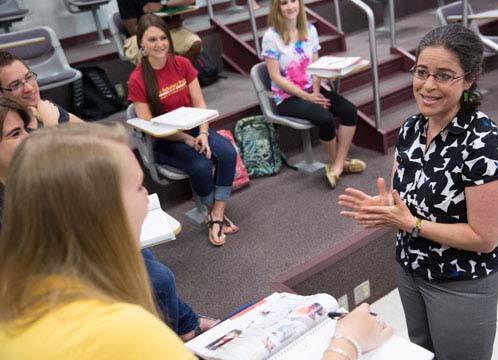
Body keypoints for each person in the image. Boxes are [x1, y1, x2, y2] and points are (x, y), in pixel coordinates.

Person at [0, 122, 391, 359]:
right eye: (139, 188)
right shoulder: (119, 328)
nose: (148, 200)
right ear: (101, 212)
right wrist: (347, 343)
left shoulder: (17, 299)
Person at [339, 24, 498, 360]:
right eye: (422, 72)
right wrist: (386, 206)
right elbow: (404, 200)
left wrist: (411, 224)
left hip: (461, 281)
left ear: (470, 78)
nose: (428, 85)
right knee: (420, 352)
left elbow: (486, 237)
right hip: (410, 268)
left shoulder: (484, 143)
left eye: (444, 75)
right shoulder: (411, 128)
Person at [0, 98, 216, 341]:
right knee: (159, 279)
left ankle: (185, 324)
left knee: (148, 262)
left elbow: (99, 141)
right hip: (50, 291)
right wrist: (53, 132)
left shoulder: (28, 164)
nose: (28, 139)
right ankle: (175, 332)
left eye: (29, 77)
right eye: (16, 133)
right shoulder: (33, 179)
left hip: (74, 262)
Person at [128, 14, 238, 246]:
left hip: (196, 128)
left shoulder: (182, 64)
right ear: (141, 44)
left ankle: (216, 213)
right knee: (201, 164)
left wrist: (204, 134)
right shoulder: (137, 79)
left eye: (162, 38)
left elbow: (200, 105)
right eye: (151, 40)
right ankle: (214, 215)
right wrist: (188, 140)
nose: (159, 44)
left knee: (227, 152)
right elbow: (149, 126)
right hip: (165, 139)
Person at [261, 0, 365, 190]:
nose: (290, 7)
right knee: (325, 119)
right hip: (287, 98)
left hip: (313, 89)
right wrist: (308, 97)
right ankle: (337, 163)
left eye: (293, 1)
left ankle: (339, 164)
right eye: (284, 3)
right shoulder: (271, 37)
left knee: (349, 110)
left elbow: (316, 66)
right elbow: (275, 76)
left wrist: (316, 92)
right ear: (277, 8)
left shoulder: (310, 30)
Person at [0, 51, 83, 128]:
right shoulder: (8, 130)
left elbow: (89, 133)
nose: (29, 88)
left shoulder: (44, 108)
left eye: (29, 77)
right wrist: (50, 122)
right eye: (16, 85)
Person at [116, 0, 202, 64]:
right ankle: (163, 82)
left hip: (169, 30)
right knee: (159, 51)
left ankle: (180, 76)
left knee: (195, 44)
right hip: (140, 36)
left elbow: (191, 1)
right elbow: (133, 30)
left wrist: (163, 4)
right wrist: (166, 26)